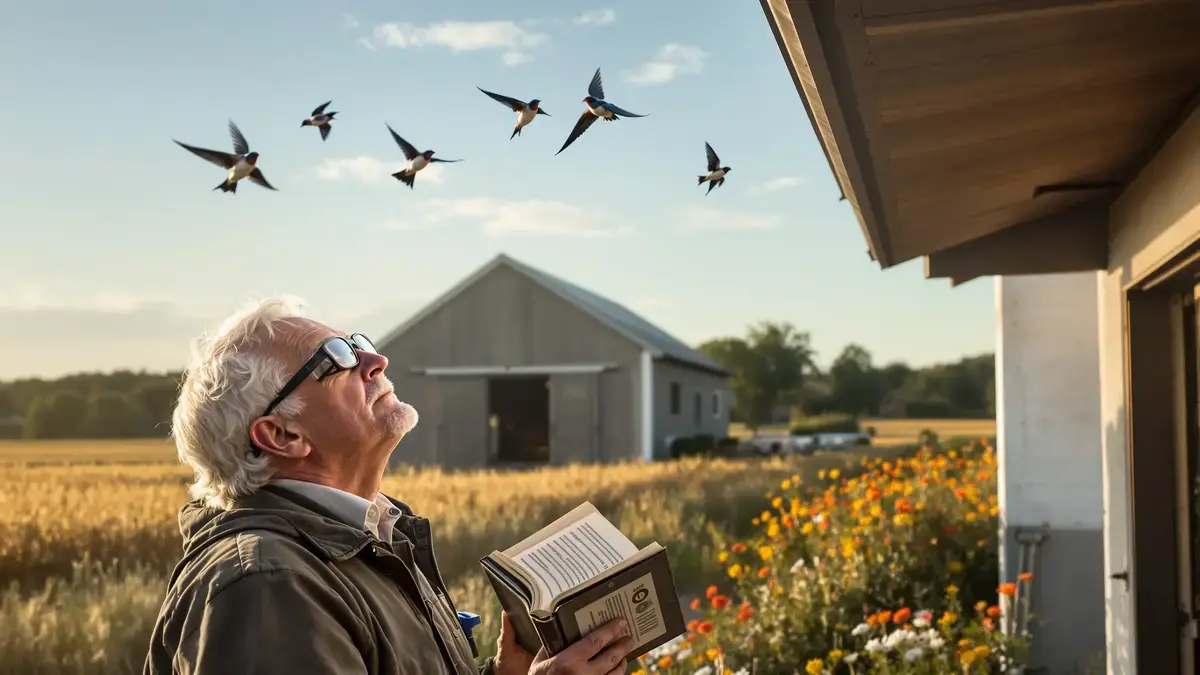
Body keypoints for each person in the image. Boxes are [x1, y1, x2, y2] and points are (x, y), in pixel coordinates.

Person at [142, 296, 634, 675]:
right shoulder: (266, 586)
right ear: (282, 434)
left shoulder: (372, 536)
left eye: (358, 342)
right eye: (335, 358)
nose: (375, 361)